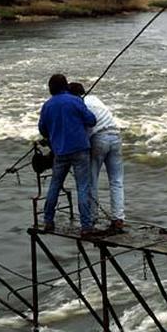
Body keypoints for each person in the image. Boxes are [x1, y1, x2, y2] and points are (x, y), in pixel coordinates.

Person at [38, 74, 97, 235]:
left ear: (51, 89)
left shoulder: (47, 106)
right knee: (83, 187)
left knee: (55, 186)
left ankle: (48, 221)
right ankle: (86, 226)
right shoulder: (75, 100)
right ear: (66, 86)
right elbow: (91, 120)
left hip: (60, 152)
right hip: (80, 149)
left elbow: (42, 129)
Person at [68, 82, 125, 232]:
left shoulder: (78, 105)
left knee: (91, 180)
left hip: (99, 139)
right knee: (116, 181)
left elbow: (82, 130)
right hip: (116, 136)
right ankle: (118, 218)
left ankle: (92, 217)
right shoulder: (95, 99)